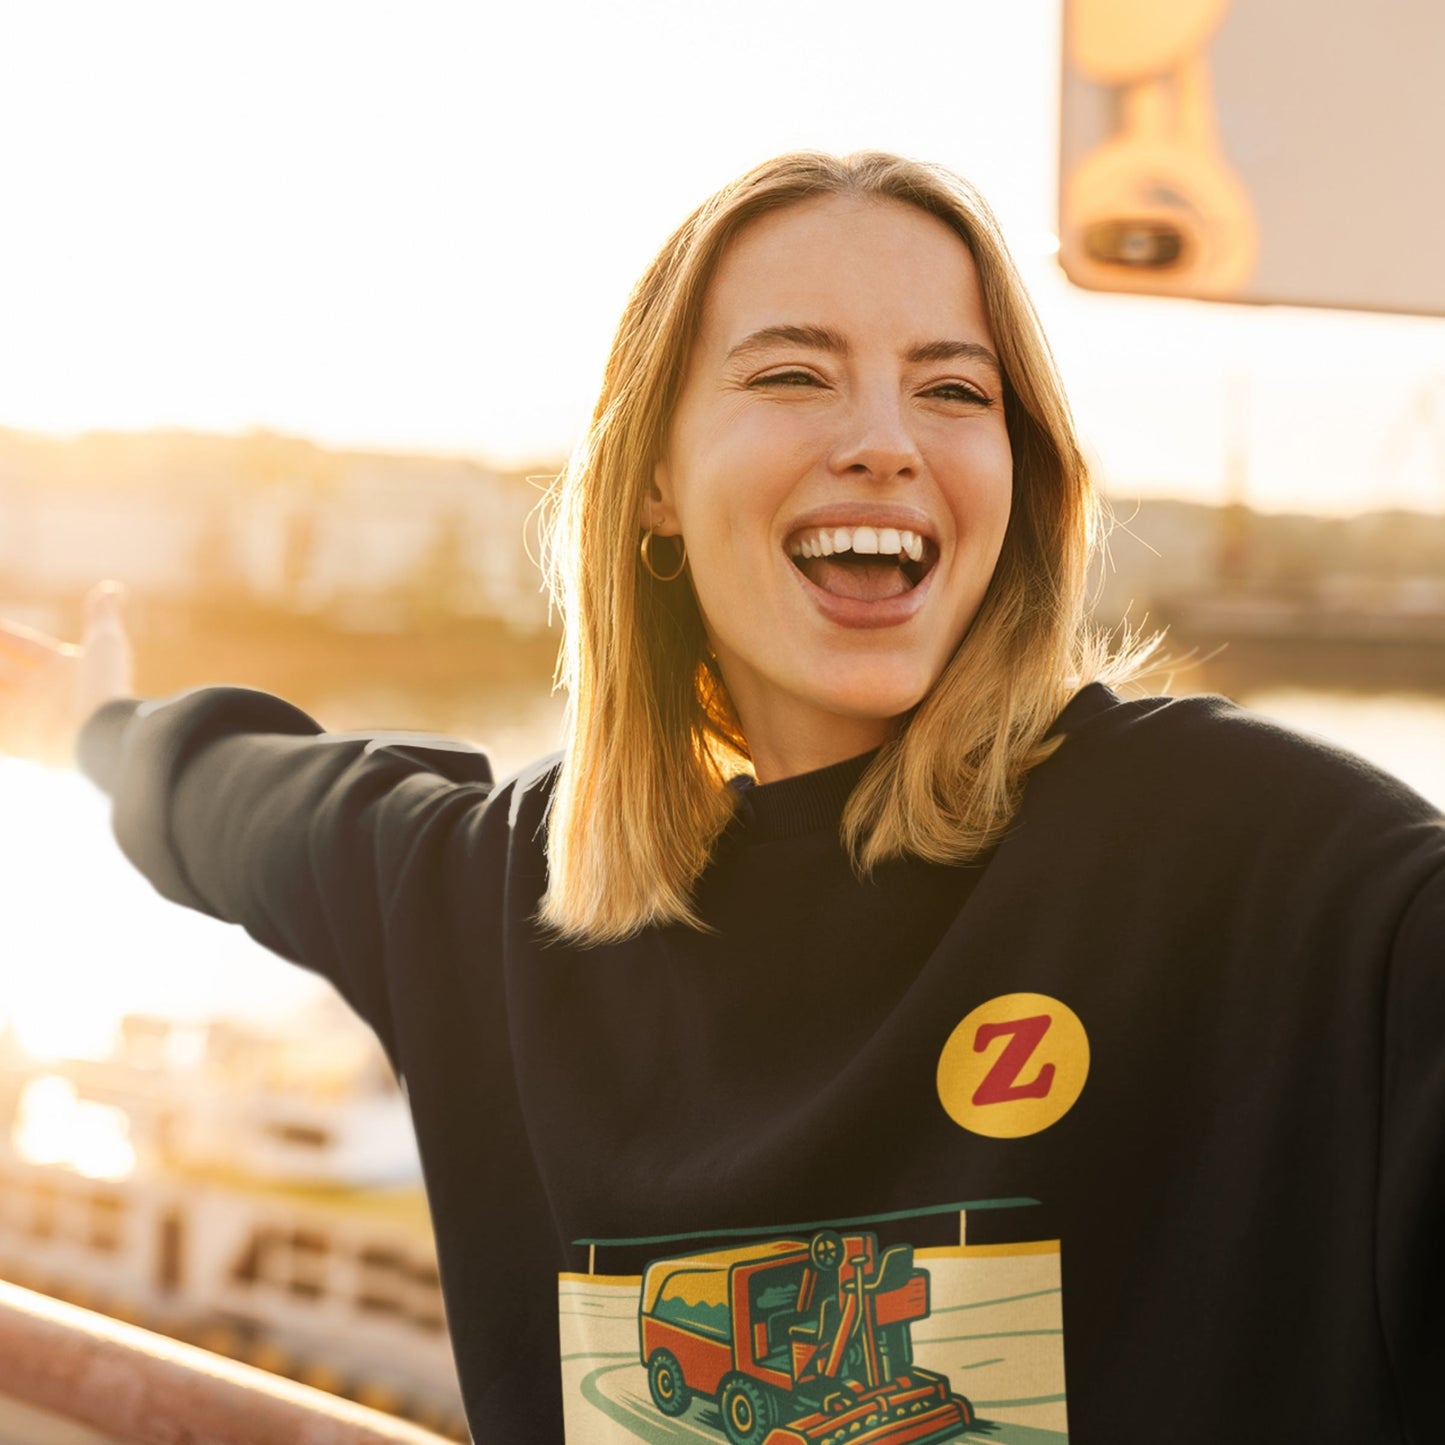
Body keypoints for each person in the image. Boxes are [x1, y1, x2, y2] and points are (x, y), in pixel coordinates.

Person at [1, 151, 1442, 1445]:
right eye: (792, 373)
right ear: (654, 486)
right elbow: (249, 807)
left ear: (1023, 477)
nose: (884, 438)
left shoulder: (1248, 860)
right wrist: (101, 729)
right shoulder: (502, 897)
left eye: (952, 388)